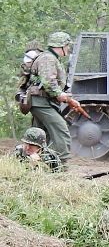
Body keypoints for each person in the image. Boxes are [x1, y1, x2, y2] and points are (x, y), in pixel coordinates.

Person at [25, 31, 79, 168]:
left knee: (39, 135)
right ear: (60, 46)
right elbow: (49, 82)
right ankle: (60, 165)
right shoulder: (48, 58)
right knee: (61, 131)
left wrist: (67, 97)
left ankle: (33, 163)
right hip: (41, 103)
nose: (68, 49)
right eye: (67, 46)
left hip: (42, 102)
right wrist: (64, 97)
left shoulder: (50, 58)